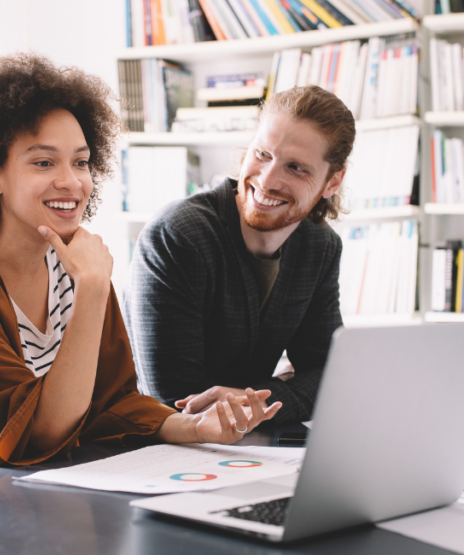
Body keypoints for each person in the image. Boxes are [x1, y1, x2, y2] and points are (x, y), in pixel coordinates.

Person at [0, 53, 280, 486]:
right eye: (43, 162)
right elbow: (32, 442)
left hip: (55, 494)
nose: (72, 182)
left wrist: (194, 426)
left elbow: (112, 403)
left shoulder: (76, 269)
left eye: (80, 161)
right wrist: (92, 289)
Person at [123, 85, 354, 426]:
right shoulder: (178, 236)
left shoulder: (320, 248)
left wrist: (256, 403)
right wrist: (284, 389)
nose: (267, 180)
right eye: (262, 154)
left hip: (251, 446)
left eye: (296, 168)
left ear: (332, 183)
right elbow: (175, 401)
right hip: (155, 452)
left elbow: (330, 375)